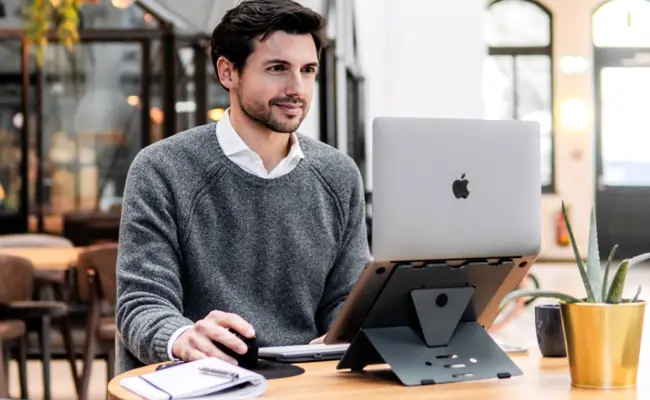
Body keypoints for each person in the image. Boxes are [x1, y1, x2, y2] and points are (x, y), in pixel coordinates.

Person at [115, 0, 370, 373]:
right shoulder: (162, 169)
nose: (296, 88)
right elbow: (141, 302)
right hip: (199, 381)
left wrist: (345, 331)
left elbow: (345, 300)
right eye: (277, 68)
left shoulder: (339, 175)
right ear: (228, 72)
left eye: (308, 69)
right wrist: (183, 338)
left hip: (306, 383)